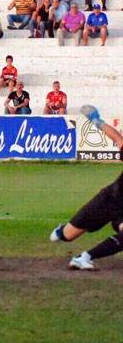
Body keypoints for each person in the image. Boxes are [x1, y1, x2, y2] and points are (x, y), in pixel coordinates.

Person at [51, 105, 123, 270]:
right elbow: (118, 139)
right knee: (67, 236)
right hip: (108, 201)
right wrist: (96, 120)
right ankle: (61, 231)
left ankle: (84, 257)